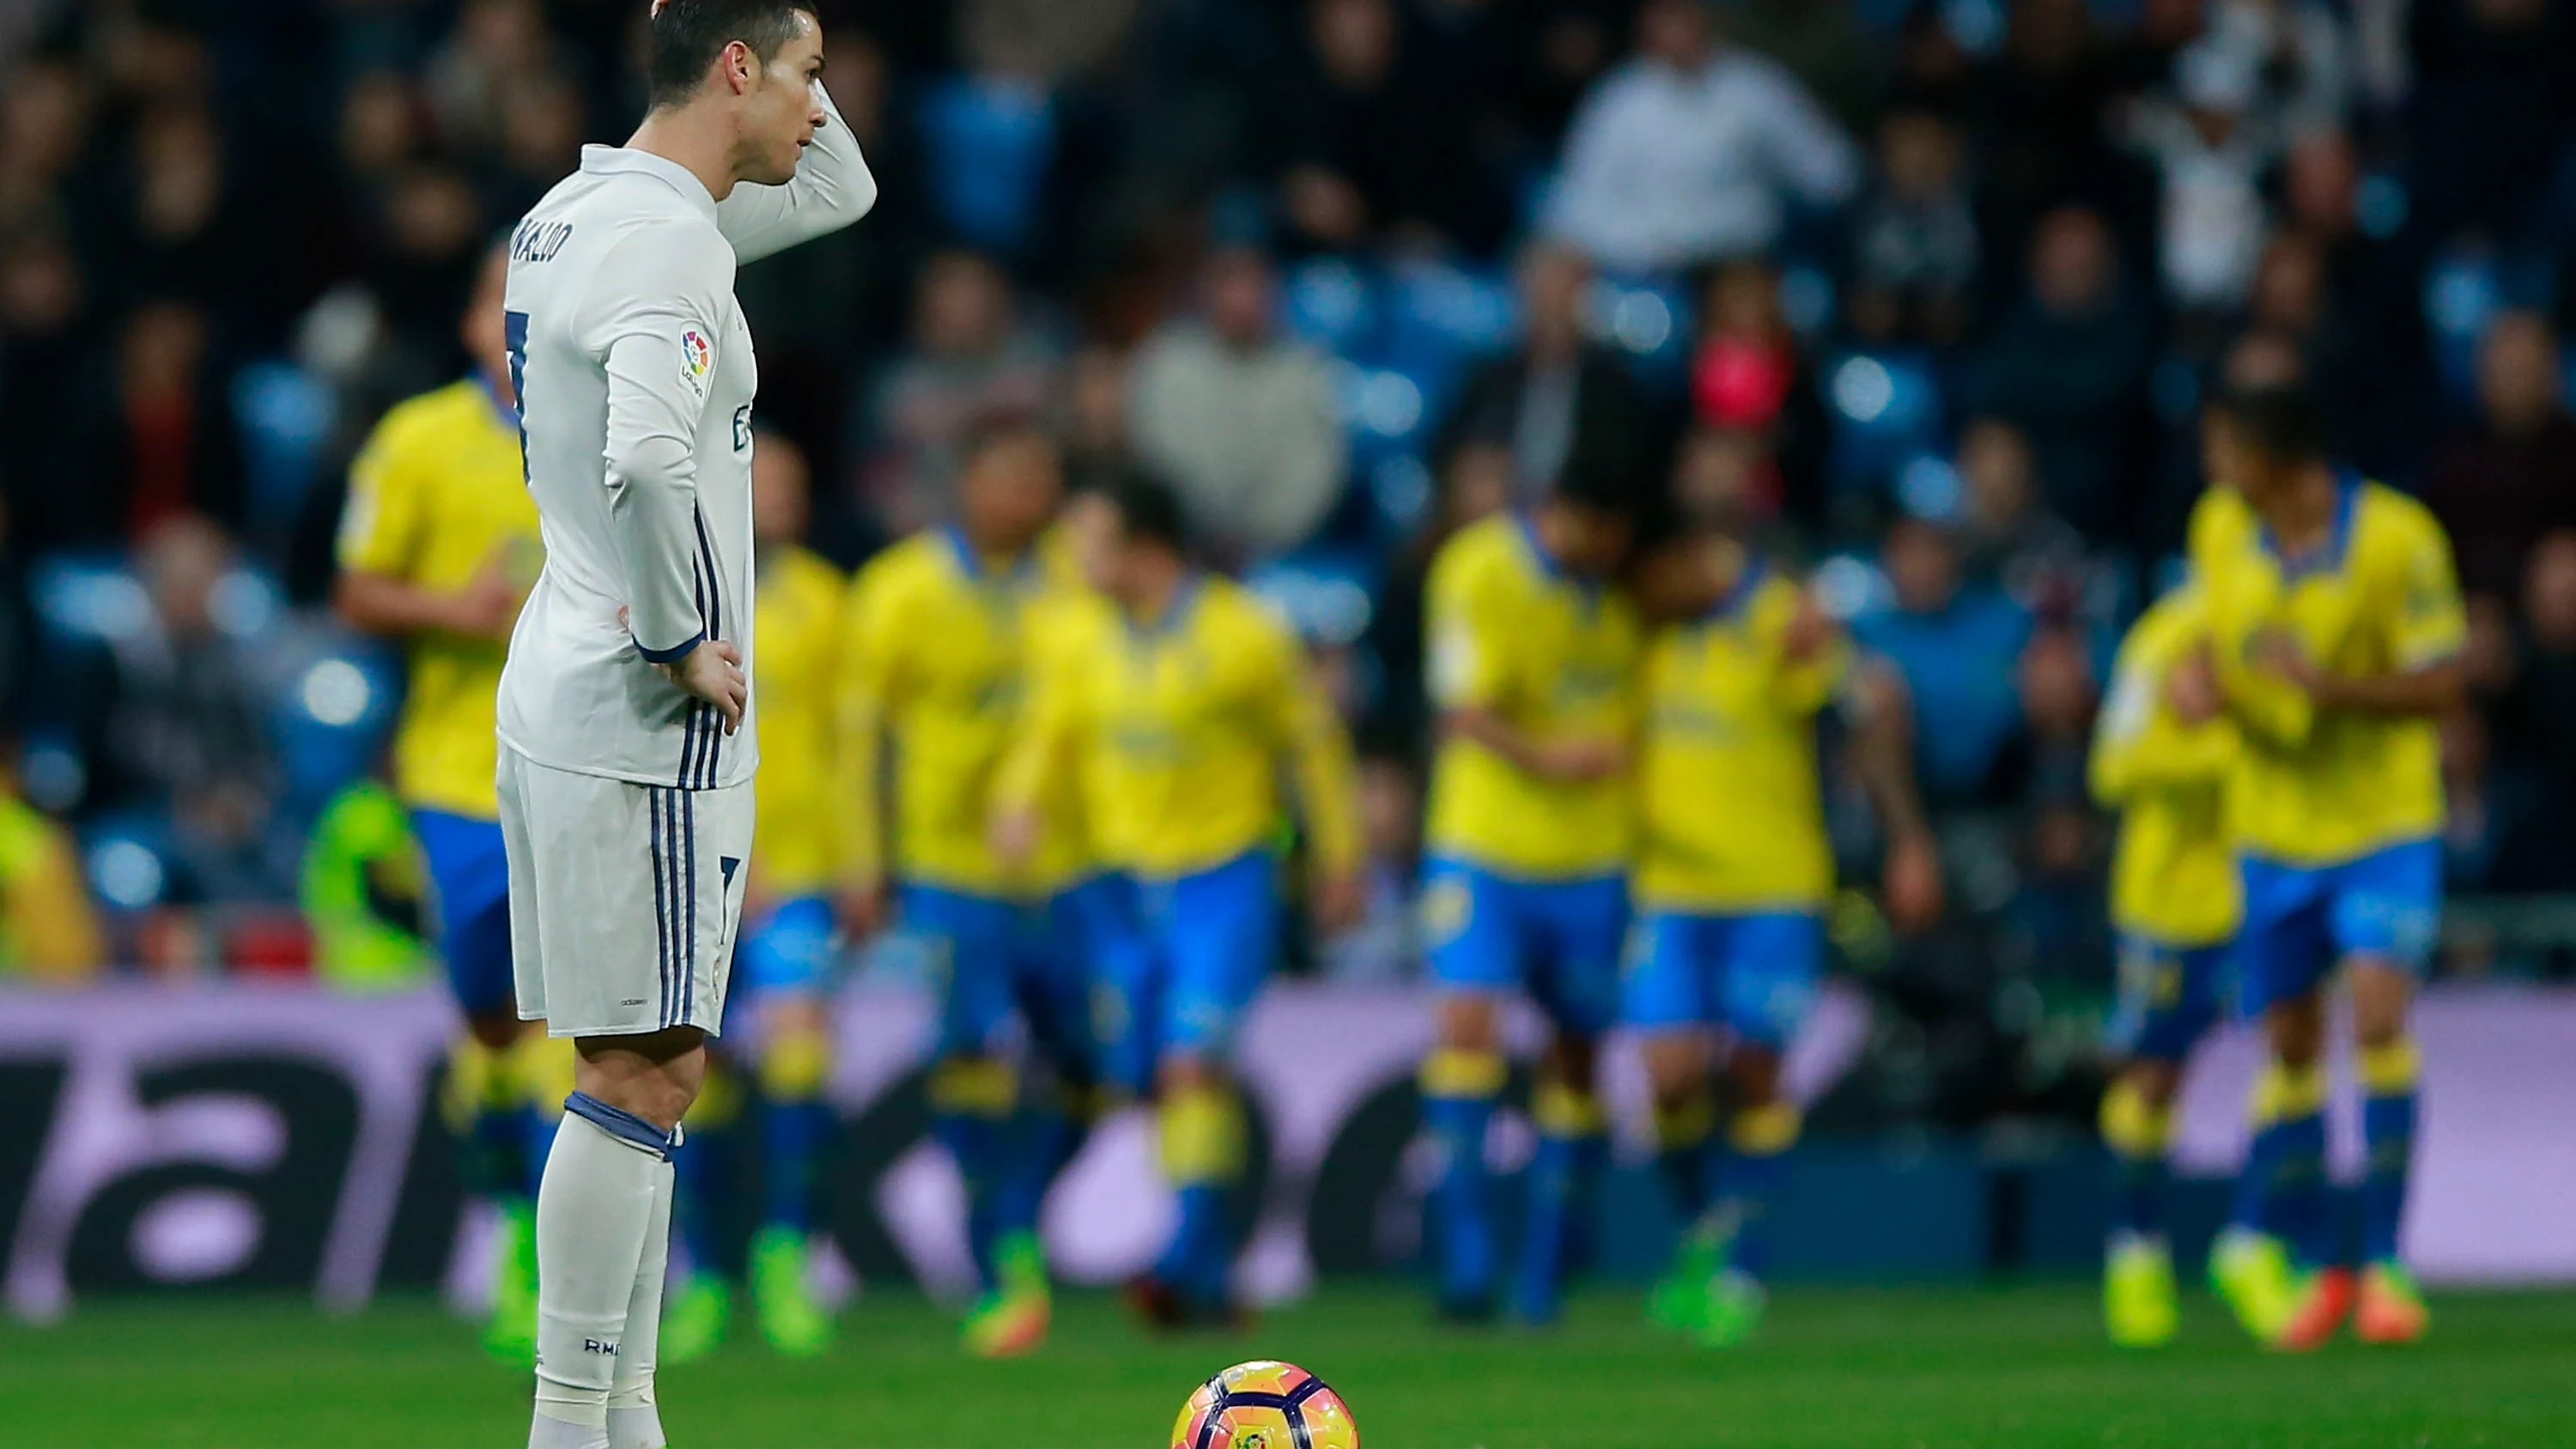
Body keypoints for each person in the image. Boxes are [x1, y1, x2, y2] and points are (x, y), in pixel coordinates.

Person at [495, 3, 873, 1446]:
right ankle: (575, 1416)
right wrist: (677, 638)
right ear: (735, 72)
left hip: (564, 672)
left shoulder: (577, 213)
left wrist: (744, 39)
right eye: (807, 75)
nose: (818, 106)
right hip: (637, 697)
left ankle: (624, 1411)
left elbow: (842, 190)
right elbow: (652, 455)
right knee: (639, 1065)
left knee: (651, 1063)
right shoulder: (665, 244)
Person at [993, 471, 1364, 1329]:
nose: (1076, 559)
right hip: (1118, 889)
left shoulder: (1245, 634)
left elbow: (1313, 750)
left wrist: (1340, 858)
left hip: (1222, 879)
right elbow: (1050, 733)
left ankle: (1179, 1261)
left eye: (1091, 540)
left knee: (1190, 1060)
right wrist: (1018, 806)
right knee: (1155, 1080)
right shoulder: (1081, 638)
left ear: (1142, 546)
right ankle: (1211, 1275)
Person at [333, 239, 565, 1364]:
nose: (519, 326)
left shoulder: (614, 427)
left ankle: (553, 1254)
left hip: (584, 771)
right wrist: (456, 613)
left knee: (574, 1017)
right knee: (491, 1015)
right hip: (458, 774)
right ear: (475, 325)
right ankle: (510, 1213)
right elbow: (354, 587)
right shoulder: (416, 440)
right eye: (501, 307)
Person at [1624, 519, 1939, 1348]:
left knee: (1759, 1072)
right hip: (1670, 891)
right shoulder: (1638, 640)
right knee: (1670, 1073)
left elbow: (1867, 714)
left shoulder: (1778, 626)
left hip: (1774, 887)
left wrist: (1906, 838)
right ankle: (1702, 1231)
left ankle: (1743, 1267)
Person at [2192, 381, 2461, 1352]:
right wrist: (2202, 686)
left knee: (2380, 1014)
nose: (2213, 468)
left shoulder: (2398, 538)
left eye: (2225, 448)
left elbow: (2443, 681)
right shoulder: (2220, 530)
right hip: (2271, 828)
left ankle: (2388, 1259)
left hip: (2383, 824)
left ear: (2272, 457)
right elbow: (2216, 645)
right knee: (2292, 1045)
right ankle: (2311, 1264)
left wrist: (2331, 687)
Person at [833, 419, 1090, 1357]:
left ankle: (1018, 1214)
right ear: (968, 486)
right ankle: (998, 1259)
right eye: (1011, 477)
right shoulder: (899, 590)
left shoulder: (1076, 577)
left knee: (1100, 1063)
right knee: (973, 1054)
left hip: (1071, 866)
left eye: (1043, 478)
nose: (1029, 496)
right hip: (951, 868)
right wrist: (866, 862)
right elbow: (862, 740)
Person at [1416, 468, 1643, 1325]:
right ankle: (1468, 1258)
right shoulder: (1480, 568)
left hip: (1594, 855)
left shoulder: (1628, 593)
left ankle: (1545, 1265)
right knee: (1465, 1024)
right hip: (1485, 844)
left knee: (1576, 1052)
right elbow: (1461, 706)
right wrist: (1552, 758)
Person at [663, 432, 844, 1359]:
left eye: (796, 482)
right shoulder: (678, 591)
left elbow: (850, 743)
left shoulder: (824, 599)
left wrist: (863, 861)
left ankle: (786, 1261)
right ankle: (705, 1270)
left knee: (800, 1055)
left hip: (802, 872)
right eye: (769, 479)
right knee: (700, 1074)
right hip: (696, 867)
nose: (785, 497)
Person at [2087, 576, 2242, 1348]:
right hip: (2168, 901)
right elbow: (2111, 767)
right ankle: (2134, 1252)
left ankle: (2263, 1242)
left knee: (2298, 1047)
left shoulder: (2286, 625)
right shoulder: (2162, 636)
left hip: (2269, 880)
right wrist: (2215, 748)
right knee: (2153, 1075)